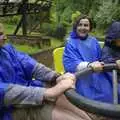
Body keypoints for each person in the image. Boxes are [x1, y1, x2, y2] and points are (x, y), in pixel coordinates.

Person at [0, 23, 92, 120]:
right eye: (0, 34)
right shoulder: (70, 43)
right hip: (8, 110)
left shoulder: (7, 50)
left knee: (62, 95)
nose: (5, 37)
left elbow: (31, 66)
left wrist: (56, 77)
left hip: (29, 90)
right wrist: (48, 93)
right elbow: (6, 92)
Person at [63, 15, 113, 103]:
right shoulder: (70, 43)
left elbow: (102, 58)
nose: (83, 28)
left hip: (97, 75)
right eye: (80, 25)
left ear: (90, 28)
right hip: (80, 77)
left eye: (86, 25)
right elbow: (70, 63)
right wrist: (89, 65)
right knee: (88, 99)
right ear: (76, 27)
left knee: (110, 93)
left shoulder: (94, 41)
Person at [101, 21, 120, 102]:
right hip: (113, 77)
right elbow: (105, 60)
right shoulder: (107, 49)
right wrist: (116, 61)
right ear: (114, 38)